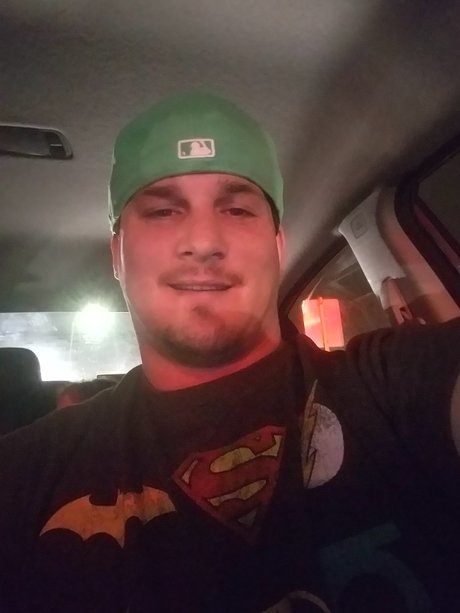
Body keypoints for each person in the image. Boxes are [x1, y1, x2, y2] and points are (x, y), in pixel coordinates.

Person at [0, 91, 459, 613]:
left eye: (237, 209)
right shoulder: (25, 476)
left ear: (278, 247)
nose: (203, 241)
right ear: (117, 255)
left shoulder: (392, 385)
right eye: (163, 210)